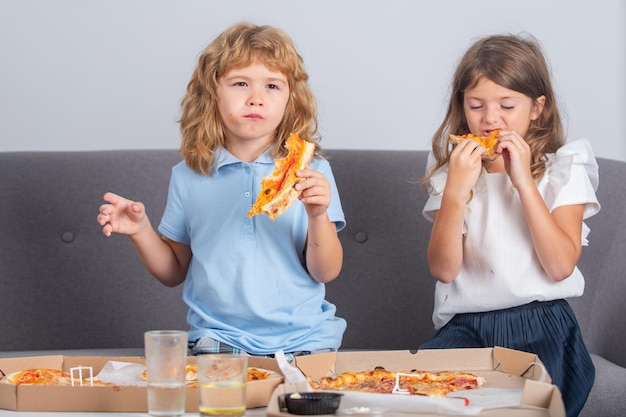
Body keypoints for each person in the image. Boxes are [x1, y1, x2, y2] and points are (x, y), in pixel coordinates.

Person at [97, 22, 346, 359]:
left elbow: (326, 271)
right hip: (218, 338)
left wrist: (317, 215)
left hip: (306, 339)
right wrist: (140, 231)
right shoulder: (189, 175)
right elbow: (173, 271)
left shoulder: (312, 172)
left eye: (272, 86)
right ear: (213, 92)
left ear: (291, 99)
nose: (256, 98)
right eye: (240, 83)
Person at [419, 33, 600, 417]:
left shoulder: (563, 170)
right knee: (419, 397)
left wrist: (522, 182)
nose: (490, 119)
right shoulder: (452, 175)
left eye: (506, 104)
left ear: (537, 108)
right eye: (476, 105)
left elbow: (559, 266)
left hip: (543, 323)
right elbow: (444, 268)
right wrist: (455, 193)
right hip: (465, 327)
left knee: (525, 407)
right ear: (462, 107)